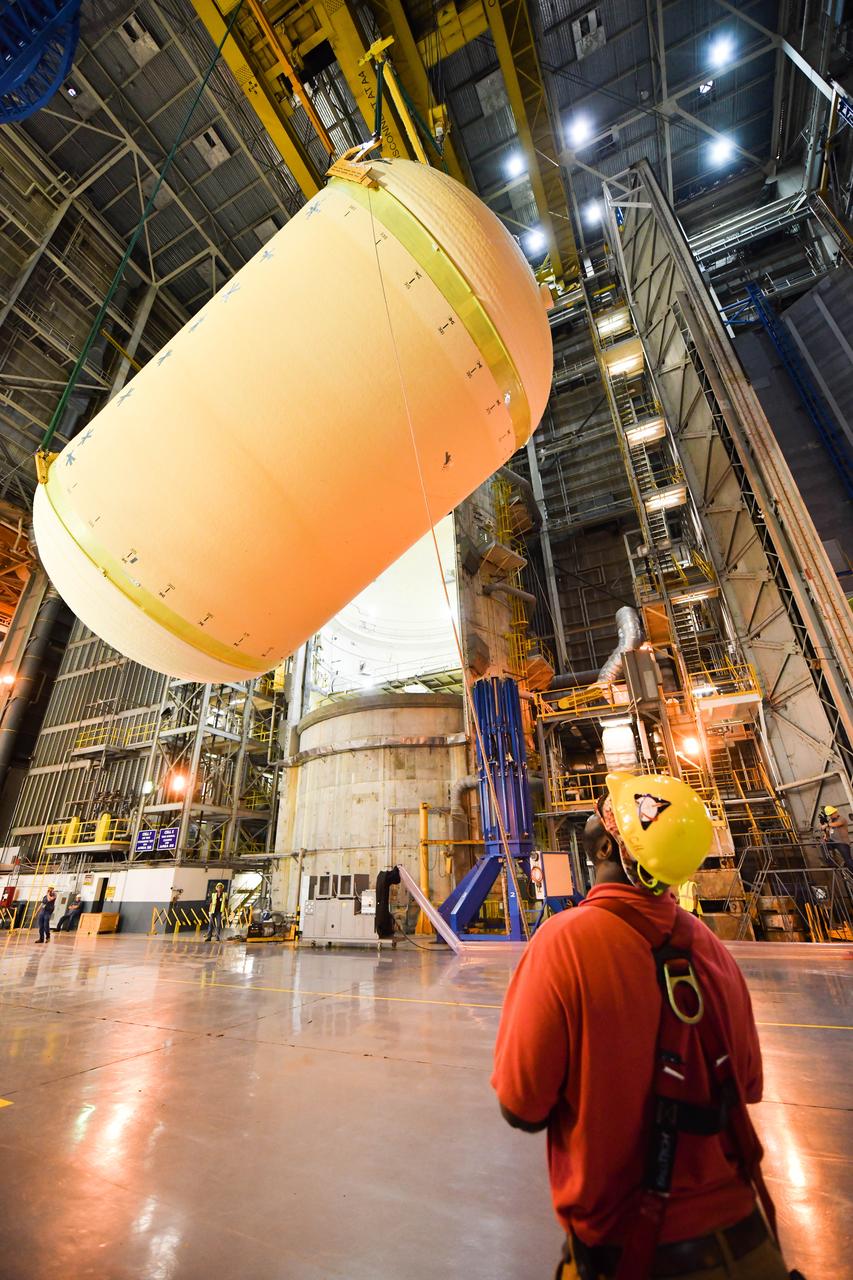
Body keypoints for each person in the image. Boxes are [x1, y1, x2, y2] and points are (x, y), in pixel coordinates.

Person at [492, 772, 798, 1280]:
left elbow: (521, 1106)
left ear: (609, 846)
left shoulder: (563, 942)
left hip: (633, 1255)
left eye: (606, 810)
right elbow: (744, 1086)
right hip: (751, 1250)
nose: (598, 808)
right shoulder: (713, 951)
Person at [820, 805, 852, 873]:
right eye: (830, 815)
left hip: (842, 842)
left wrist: (827, 825)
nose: (831, 816)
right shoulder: (830, 821)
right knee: (823, 845)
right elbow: (828, 831)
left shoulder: (841, 819)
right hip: (833, 841)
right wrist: (825, 835)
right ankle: (830, 862)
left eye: (832, 814)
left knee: (848, 860)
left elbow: (837, 824)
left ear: (835, 812)